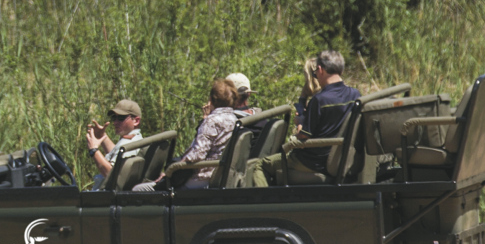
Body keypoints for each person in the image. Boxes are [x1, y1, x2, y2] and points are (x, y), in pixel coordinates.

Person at [249, 50, 361, 186]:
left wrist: (299, 125)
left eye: (315, 73)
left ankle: (264, 200)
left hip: (313, 161)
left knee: (260, 166)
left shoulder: (319, 100)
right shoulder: (355, 95)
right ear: (341, 70)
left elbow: (303, 136)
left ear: (320, 70)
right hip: (342, 159)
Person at [147, 79, 239, 190]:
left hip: (202, 179)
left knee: (140, 189)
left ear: (211, 99)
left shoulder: (211, 121)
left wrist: (172, 170)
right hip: (221, 177)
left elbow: (198, 154)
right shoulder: (236, 120)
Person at [86, 99, 143, 183]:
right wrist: (102, 137)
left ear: (136, 121)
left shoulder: (129, 144)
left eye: (121, 118)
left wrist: (94, 150)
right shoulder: (135, 138)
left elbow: (111, 175)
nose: (115, 122)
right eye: (114, 118)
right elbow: (117, 154)